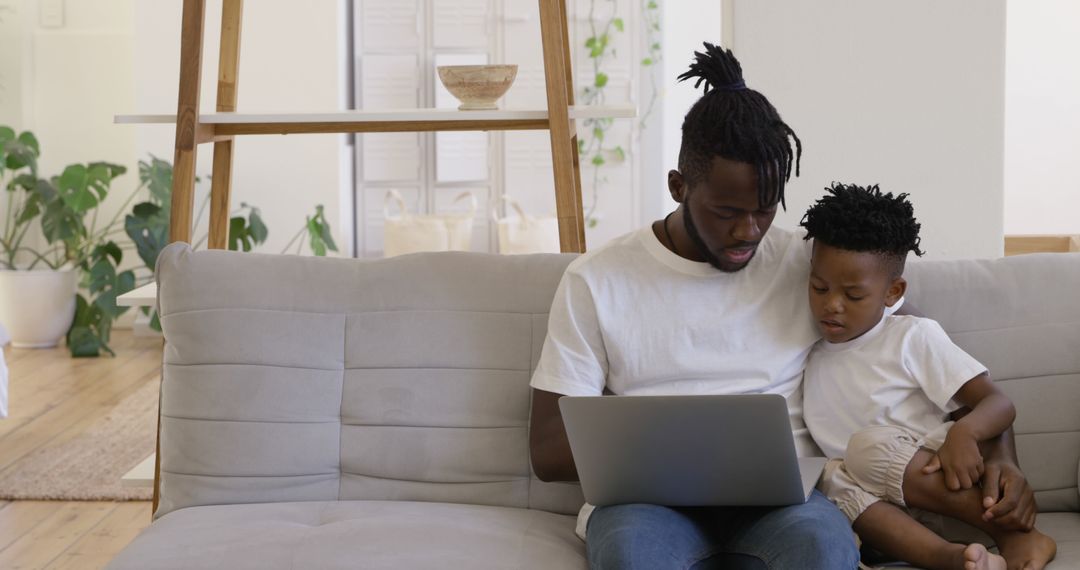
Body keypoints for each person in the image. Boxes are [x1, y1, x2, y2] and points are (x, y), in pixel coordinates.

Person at [528, 42, 1038, 570]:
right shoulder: (597, 280)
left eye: (765, 210)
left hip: (784, 502)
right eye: (727, 212)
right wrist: (671, 454)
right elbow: (547, 451)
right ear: (679, 187)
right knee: (631, 556)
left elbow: (945, 370)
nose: (748, 232)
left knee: (824, 551)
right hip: (646, 505)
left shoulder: (812, 270)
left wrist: (1003, 461)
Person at [801, 183, 1056, 570]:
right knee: (829, 477)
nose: (831, 305)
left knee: (864, 449)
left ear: (893, 292)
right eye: (819, 288)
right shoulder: (812, 353)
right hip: (886, 520)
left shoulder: (911, 335)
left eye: (853, 296)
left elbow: (997, 402)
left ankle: (1018, 537)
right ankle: (950, 559)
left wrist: (964, 433)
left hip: (946, 489)